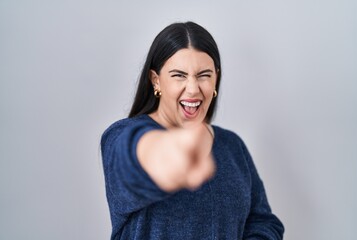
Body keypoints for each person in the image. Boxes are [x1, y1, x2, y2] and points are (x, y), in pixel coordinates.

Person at [101, 21, 284, 240]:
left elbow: (262, 221)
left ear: (216, 78)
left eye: (204, 75)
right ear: (156, 81)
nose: (193, 88)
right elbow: (130, 156)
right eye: (179, 75)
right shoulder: (121, 135)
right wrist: (163, 155)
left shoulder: (233, 145)